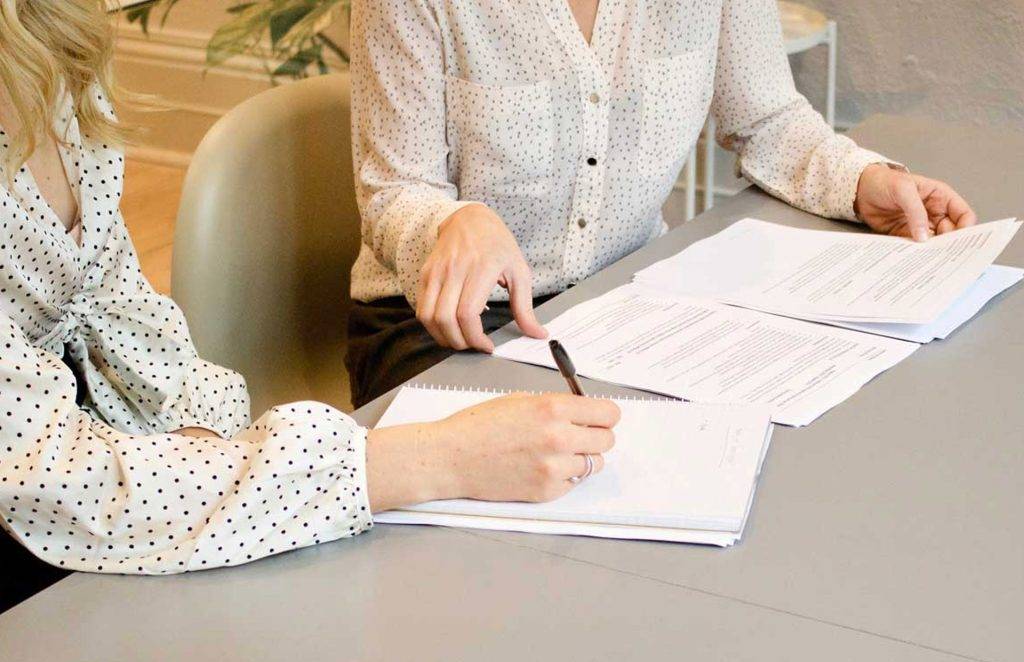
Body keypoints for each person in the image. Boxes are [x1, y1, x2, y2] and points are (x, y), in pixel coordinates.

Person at [0, 0, 620, 611]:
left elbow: (127, 317)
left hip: (116, 484)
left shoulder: (49, 53)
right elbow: (56, 481)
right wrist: (438, 459)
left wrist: (203, 452)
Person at [345, 0, 978, 407]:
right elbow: (394, 191)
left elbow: (766, 118)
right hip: (442, 328)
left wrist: (862, 179)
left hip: (622, 310)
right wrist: (454, 222)